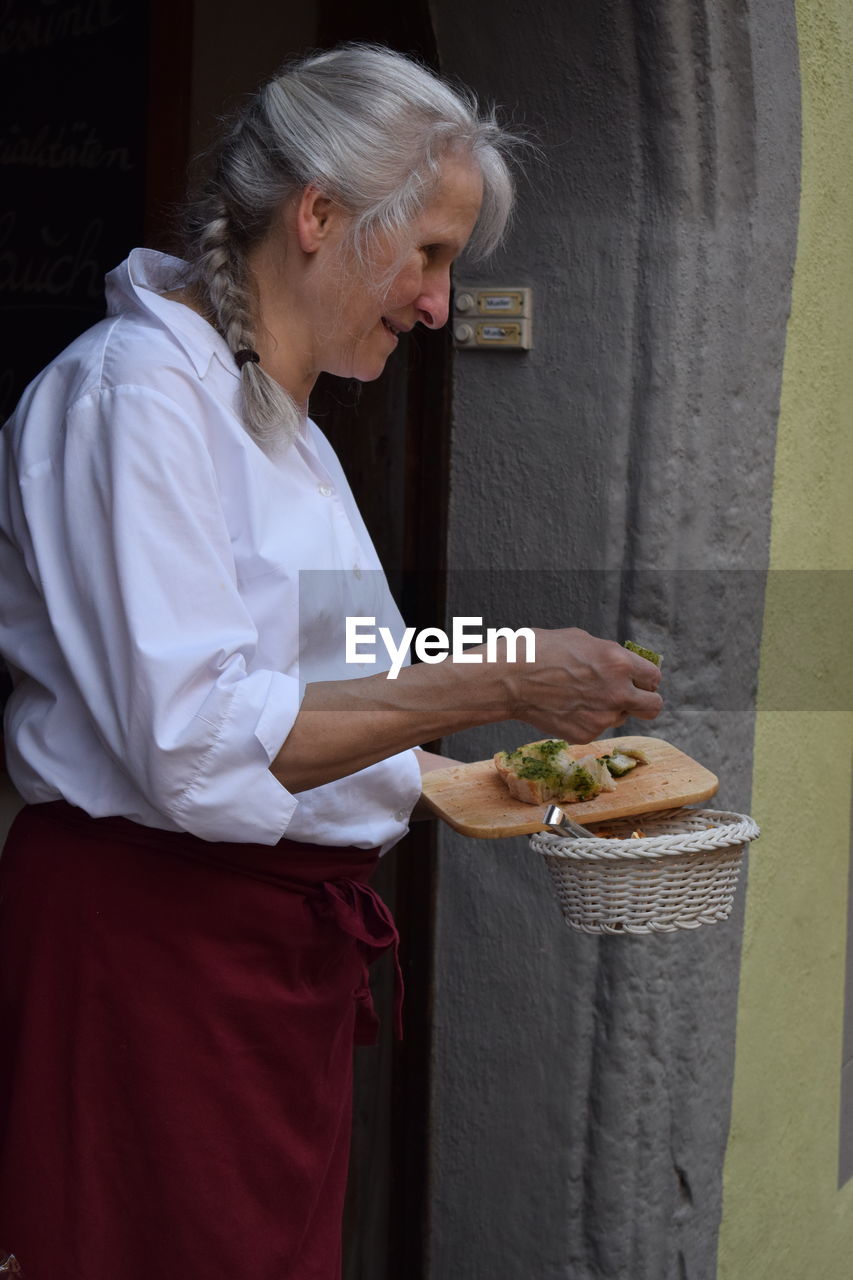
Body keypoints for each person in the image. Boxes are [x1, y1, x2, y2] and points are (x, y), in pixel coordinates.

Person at [0, 44, 662, 1280]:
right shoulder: (135, 400)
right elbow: (199, 738)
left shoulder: (279, 423)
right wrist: (502, 679)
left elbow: (360, 669)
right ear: (317, 215)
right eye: (429, 255)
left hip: (262, 969)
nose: (436, 306)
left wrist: (524, 712)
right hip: (149, 962)